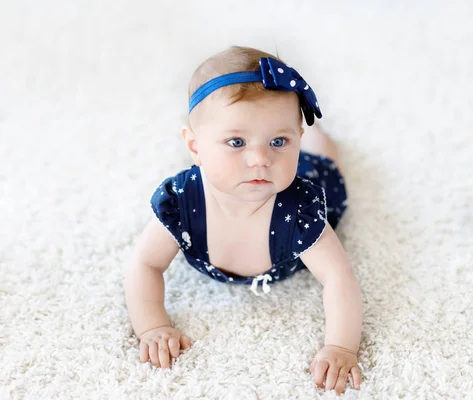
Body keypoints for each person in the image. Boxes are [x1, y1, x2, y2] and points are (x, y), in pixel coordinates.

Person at [124, 46, 363, 395]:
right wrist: (152, 326)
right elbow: (144, 264)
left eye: (279, 140)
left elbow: (339, 277)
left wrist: (341, 347)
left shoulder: (301, 207)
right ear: (194, 147)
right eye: (236, 142)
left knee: (323, 160)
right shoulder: (183, 200)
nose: (260, 159)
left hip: (311, 174)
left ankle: (316, 140)